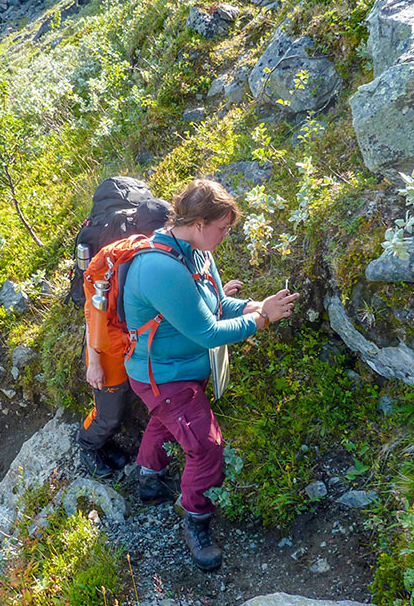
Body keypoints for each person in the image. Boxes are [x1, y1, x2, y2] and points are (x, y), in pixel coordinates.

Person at [122, 179, 298, 571]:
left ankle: (148, 480)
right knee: (206, 447)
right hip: (164, 376)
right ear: (199, 223)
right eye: (223, 228)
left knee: (167, 423)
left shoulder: (196, 251)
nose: (226, 235)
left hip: (179, 369)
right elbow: (207, 331)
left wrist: (256, 304)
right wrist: (261, 320)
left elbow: (215, 304)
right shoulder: (159, 268)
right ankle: (195, 520)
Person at [77, 197, 173, 477]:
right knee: (109, 414)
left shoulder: (161, 253)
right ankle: (88, 445)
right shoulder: (111, 261)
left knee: (125, 407)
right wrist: (94, 362)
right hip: (108, 351)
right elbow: (93, 314)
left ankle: (106, 442)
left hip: (135, 346)